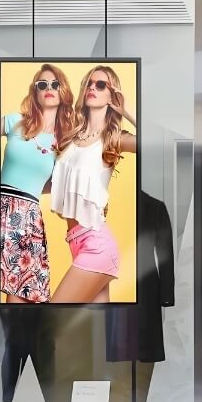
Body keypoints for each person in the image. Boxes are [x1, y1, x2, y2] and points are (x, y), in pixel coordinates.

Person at [50, 65, 136, 303]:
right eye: (89, 83)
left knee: (49, 322)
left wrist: (127, 111)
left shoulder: (113, 139)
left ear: (112, 95)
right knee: (97, 335)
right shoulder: (70, 138)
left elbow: (155, 142)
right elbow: (56, 183)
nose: (92, 88)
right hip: (75, 242)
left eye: (101, 85)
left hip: (96, 245)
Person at [0, 64, 75, 303]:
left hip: (29, 217)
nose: (49, 88)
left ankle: (19, 342)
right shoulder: (15, 121)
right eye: (42, 84)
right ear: (35, 92)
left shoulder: (64, 141)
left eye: (55, 84)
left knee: (24, 297)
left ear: (64, 92)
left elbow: (55, 184)